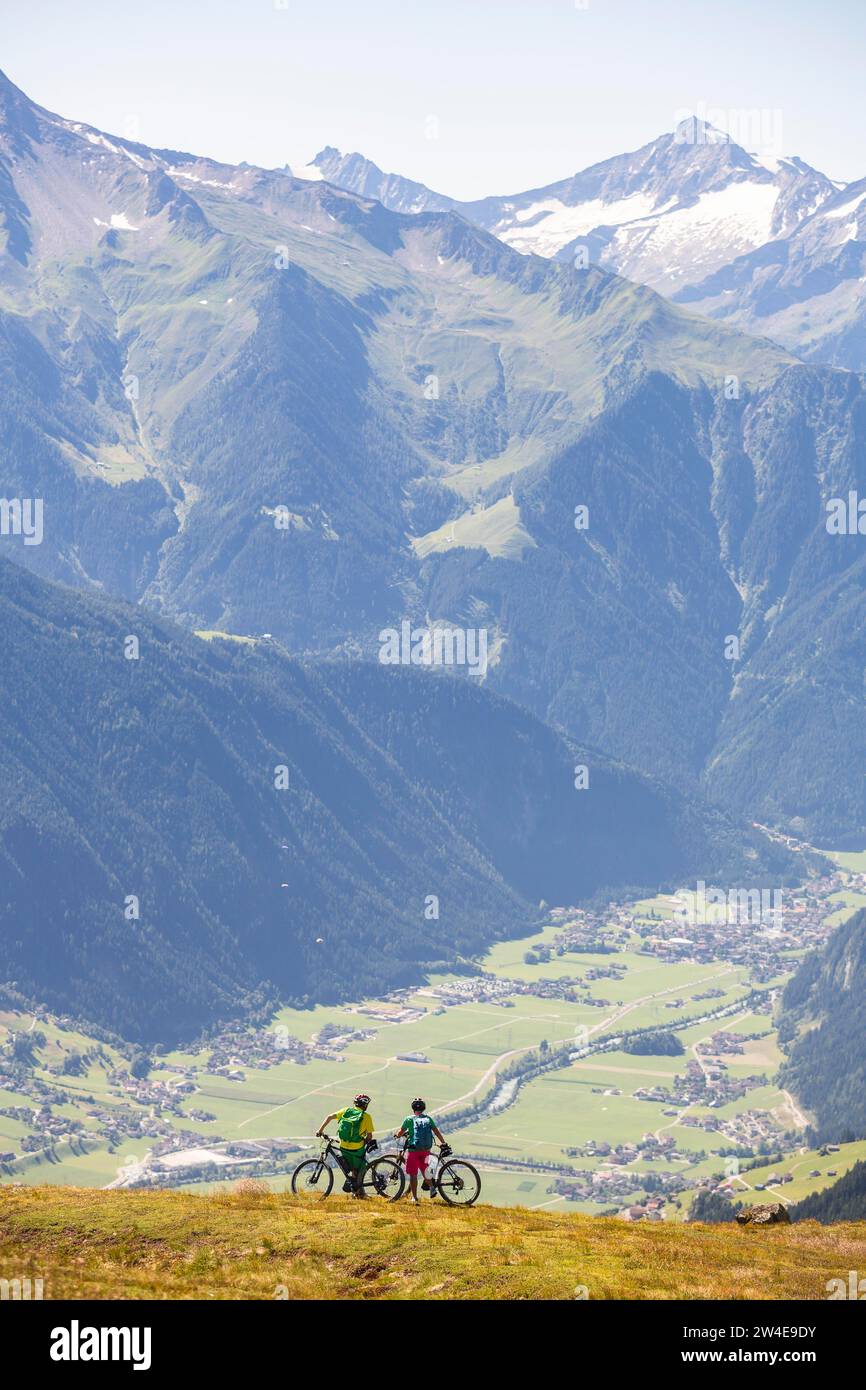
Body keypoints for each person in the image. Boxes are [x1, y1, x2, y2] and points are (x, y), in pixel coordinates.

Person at [317, 1093, 375, 1198]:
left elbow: (329, 1117)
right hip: (357, 1147)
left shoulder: (346, 1111)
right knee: (360, 1169)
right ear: (365, 1105)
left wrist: (320, 1130)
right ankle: (360, 1193)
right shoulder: (366, 1117)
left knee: (352, 1169)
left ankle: (356, 1193)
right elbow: (370, 1136)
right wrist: (366, 1140)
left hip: (343, 1146)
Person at [395, 1098, 447, 1204]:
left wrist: (396, 1135)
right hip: (426, 1149)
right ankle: (432, 1188)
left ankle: (414, 1197)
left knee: (413, 1174)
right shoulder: (428, 1119)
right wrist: (443, 1142)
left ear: (413, 1108)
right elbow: (436, 1132)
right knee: (424, 1169)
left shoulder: (409, 1119)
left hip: (413, 1150)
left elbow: (400, 1132)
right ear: (423, 1108)